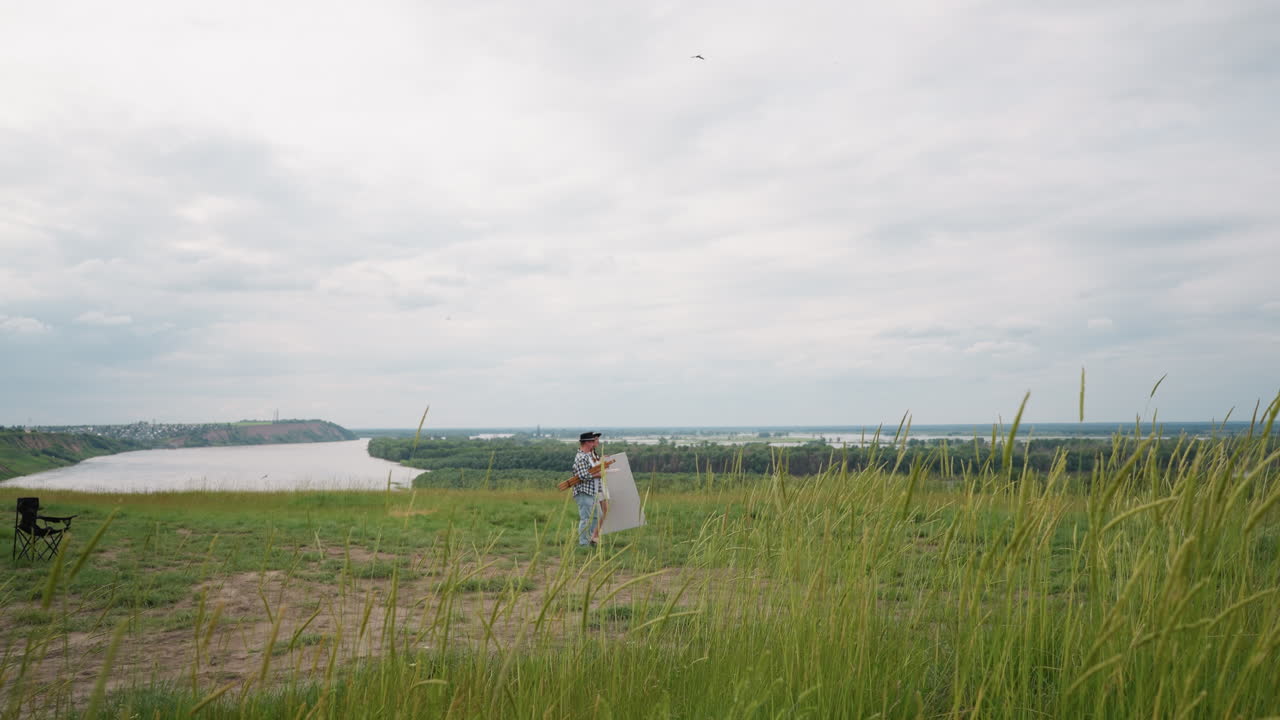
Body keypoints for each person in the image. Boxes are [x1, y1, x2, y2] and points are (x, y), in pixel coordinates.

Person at [571, 431, 613, 547]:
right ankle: (583, 543)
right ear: (585, 443)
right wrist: (598, 475)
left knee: (594, 517)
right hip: (584, 491)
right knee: (585, 518)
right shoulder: (581, 457)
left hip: (592, 491)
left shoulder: (588, 456)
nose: (593, 443)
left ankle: (590, 540)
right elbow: (582, 475)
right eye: (590, 441)